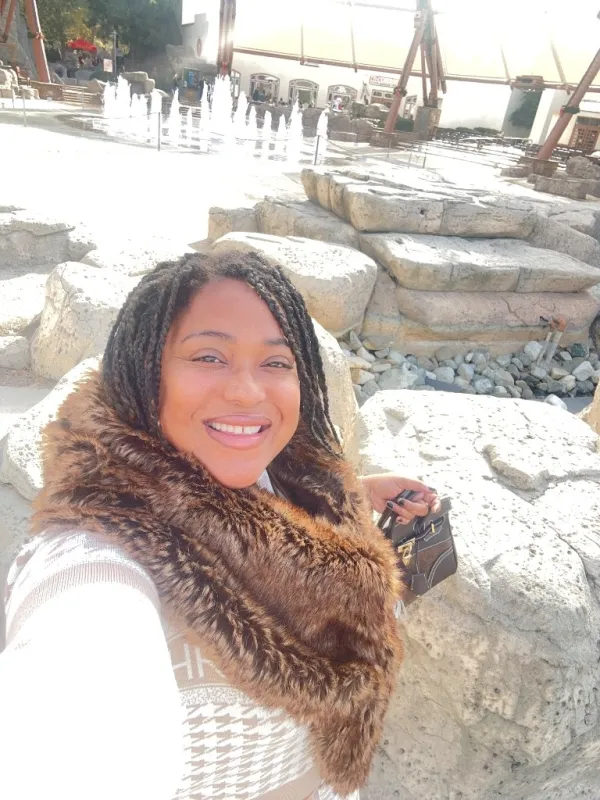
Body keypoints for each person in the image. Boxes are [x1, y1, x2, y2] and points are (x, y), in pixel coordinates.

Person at [0, 251, 439, 800]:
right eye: (208, 356)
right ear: (144, 371)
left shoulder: (294, 471)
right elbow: (67, 709)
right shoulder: (95, 559)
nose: (247, 392)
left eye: (276, 362)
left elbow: (252, 518)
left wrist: (356, 495)